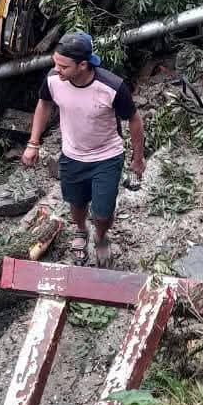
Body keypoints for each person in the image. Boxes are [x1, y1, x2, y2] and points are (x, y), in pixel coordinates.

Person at [22, 31, 145, 269]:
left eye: (63, 66)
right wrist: (33, 143)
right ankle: (81, 230)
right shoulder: (53, 80)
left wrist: (138, 157)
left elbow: (134, 120)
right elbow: (44, 103)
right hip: (72, 155)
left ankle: (101, 236)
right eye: (55, 63)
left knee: (102, 213)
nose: (56, 70)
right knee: (76, 203)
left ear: (83, 65)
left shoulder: (111, 87)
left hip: (107, 156)